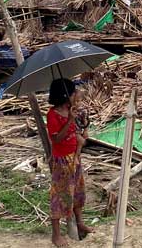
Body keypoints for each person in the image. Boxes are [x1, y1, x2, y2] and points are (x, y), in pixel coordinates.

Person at [47, 78, 93, 247]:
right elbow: (57, 139)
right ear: (65, 95)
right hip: (62, 161)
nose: (76, 95)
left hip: (75, 157)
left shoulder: (70, 110)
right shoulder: (53, 115)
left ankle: (80, 222)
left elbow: (78, 131)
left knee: (78, 191)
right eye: (73, 93)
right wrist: (69, 121)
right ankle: (56, 234)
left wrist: (82, 135)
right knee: (60, 195)